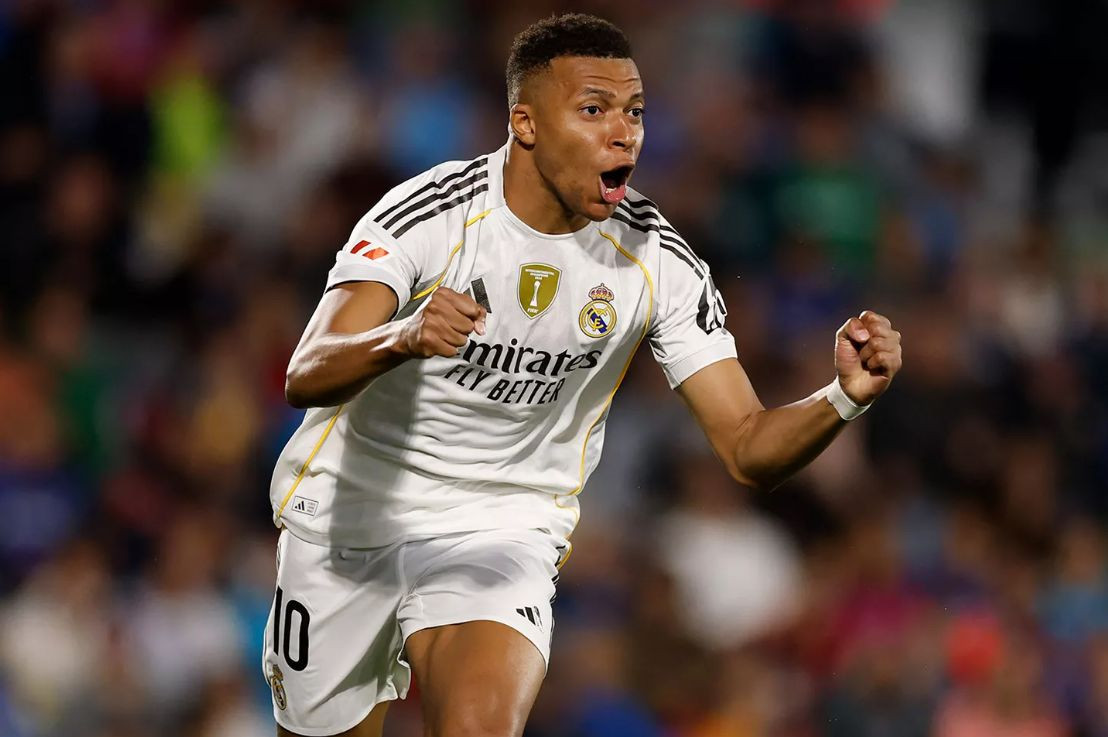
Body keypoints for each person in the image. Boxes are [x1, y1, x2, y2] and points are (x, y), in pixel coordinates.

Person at [263, 12, 903, 737]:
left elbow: (748, 446)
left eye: (635, 112)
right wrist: (401, 336)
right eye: (594, 110)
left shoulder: (658, 261)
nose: (623, 133)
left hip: (503, 524)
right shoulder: (431, 216)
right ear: (526, 124)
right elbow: (306, 372)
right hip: (350, 515)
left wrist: (843, 397)